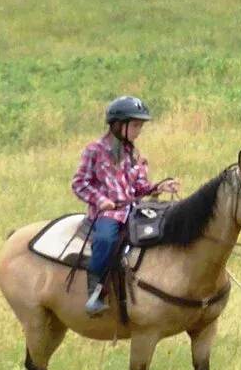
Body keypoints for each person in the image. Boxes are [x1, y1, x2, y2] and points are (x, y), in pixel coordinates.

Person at [71, 95, 176, 315]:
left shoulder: (136, 155)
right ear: (119, 125)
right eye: (136, 125)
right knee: (106, 239)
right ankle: (95, 291)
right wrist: (102, 201)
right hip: (107, 215)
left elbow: (139, 187)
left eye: (140, 126)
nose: (139, 130)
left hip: (133, 211)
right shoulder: (95, 151)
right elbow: (79, 183)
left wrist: (159, 187)